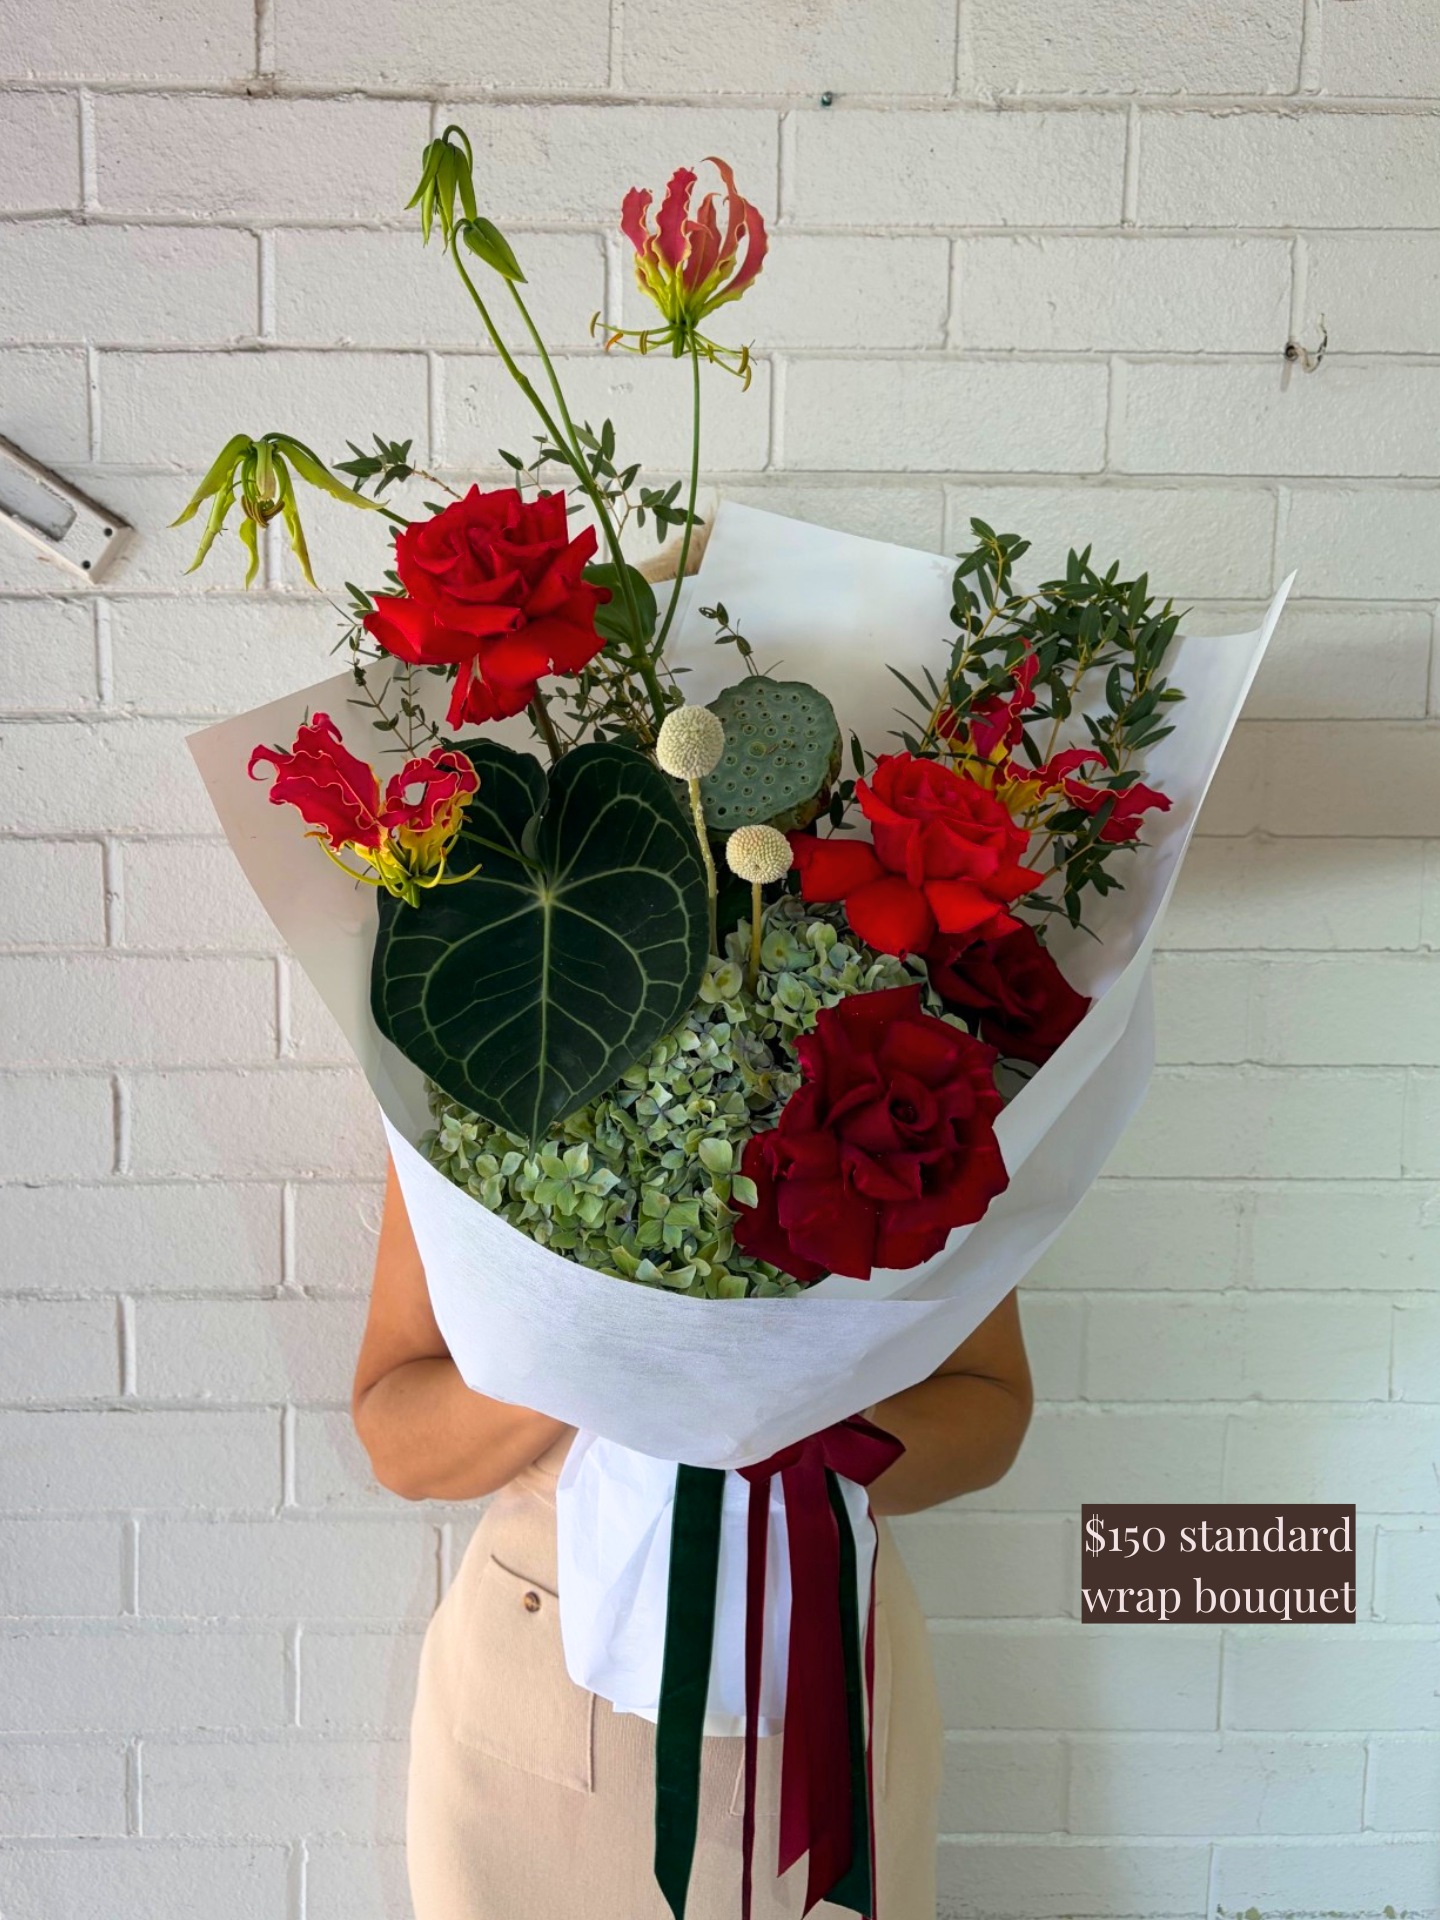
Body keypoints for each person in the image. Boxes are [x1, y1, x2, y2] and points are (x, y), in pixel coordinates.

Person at [353, 1160, 1034, 1920]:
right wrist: (604, 1351)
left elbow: (991, 1412)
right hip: (532, 1707)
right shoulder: (476, 1070)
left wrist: (804, 1416)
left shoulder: (910, 1091)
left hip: (819, 1680)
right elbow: (396, 1434)